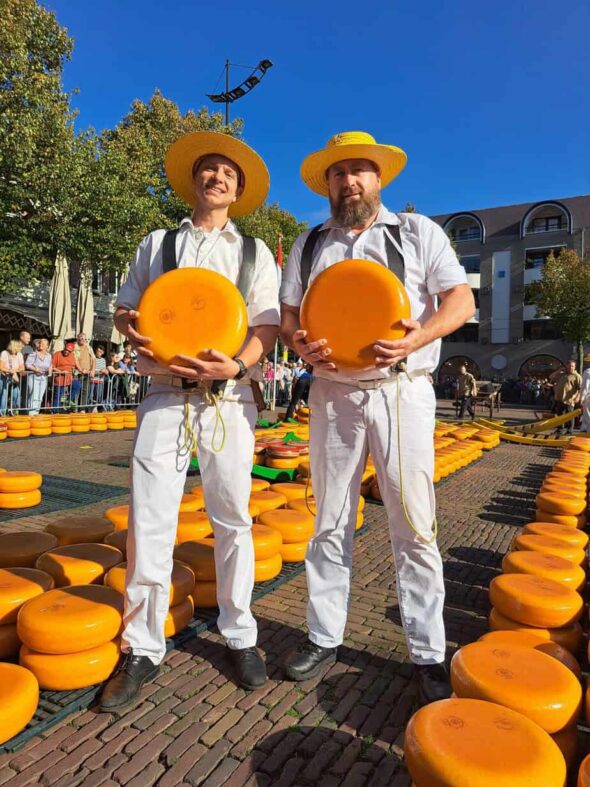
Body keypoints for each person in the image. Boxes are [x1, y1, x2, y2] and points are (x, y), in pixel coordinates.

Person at [279, 131, 475, 706]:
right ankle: (322, 634)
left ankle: (428, 651)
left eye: (359, 172)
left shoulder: (418, 232)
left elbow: (460, 302)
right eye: (339, 174)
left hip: (401, 392)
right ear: (329, 184)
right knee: (330, 518)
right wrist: (298, 346)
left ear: (379, 178)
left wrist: (422, 334)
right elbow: (290, 316)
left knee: (413, 522)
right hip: (334, 393)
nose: (349, 182)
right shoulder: (310, 243)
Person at [99, 131, 279, 713]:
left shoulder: (254, 253)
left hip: (228, 399)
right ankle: (143, 645)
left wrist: (240, 362)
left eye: (227, 172)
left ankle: (240, 632)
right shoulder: (158, 242)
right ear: (195, 181)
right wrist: (132, 327)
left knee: (232, 517)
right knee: (149, 518)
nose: (217, 178)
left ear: (238, 188)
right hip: (164, 394)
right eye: (208, 170)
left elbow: (268, 327)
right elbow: (126, 306)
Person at [552, 360, 582, 435]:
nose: (570, 367)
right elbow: (551, 377)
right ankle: (560, 430)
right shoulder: (562, 374)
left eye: (572, 366)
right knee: (560, 415)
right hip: (560, 398)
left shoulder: (577, 376)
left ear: (574, 367)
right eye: (569, 366)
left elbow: (580, 388)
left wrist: (577, 397)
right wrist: (559, 370)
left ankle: (569, 431)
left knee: (569, 416)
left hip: (569, 399)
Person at [51, 340, 82, 411]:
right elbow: (52, 367)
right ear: (64, 348)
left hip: (69, 378)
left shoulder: (72, 356)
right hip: (59, 378)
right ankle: (55, 412)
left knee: (77, 385)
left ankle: (68, 400)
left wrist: (81, 370)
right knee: (58, 395)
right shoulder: (57, 354)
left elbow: (76, 365)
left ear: (72, 351)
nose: (66, 351)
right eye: (66, 349)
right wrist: (61, 371)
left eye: (69, 351)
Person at [26, 338, 52, 414]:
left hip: (44, 377)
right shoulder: (33, 353)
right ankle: (31, 414)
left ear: (47, 346)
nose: (40, 345)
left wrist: (50, 370)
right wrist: (35, 369)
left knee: (40, 397)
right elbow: (27, 364)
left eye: (43, 344)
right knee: (34, 396)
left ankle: (36, 413)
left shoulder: (49, 355)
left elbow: (50, 365)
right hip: (34, 376)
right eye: (40, 343)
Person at [0, 339, 25, 415]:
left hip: (14, 377)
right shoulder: (4, 353)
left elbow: (22, 367)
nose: (20, 348)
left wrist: (14, 371)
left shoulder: (19, 354)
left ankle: (14, 411)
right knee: (3, 394)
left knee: (16, 394)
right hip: (4, 376)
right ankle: (2, 412)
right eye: (19, 347)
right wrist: (9, 370)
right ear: (14, 347)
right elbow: (0, 367)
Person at [580, 355, 590, 432]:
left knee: (588, 418)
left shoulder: (587, 372)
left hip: (588, 398)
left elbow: (585, 387)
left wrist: (582, 399)